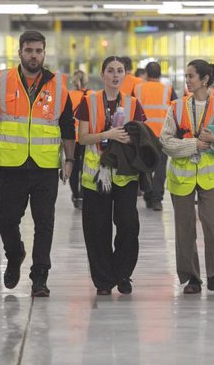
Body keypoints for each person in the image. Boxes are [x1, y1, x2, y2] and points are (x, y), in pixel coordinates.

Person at [0, 31, 75, 298]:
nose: (34, 55)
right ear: (20, 52)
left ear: (44, 53)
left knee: (44, 223)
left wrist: (70, 160)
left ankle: (40, 276)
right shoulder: (2, 82)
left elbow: (67, 128)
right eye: (29, 50)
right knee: (6, 219)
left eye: (39, 51)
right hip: (12, 166)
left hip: (45, 167)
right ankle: (15, 253)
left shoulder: (59, 85)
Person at [161, 59, 214, 295]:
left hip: (211, 177)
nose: (187, 80)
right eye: (186, 76)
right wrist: (193, 144)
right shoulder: (175, 107)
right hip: (182, 177)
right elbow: (166, 142)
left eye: (191, 76)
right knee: (184, 228)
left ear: (205, 80)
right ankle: (191, 278)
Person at [76, 56, 147, 295]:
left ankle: (123, 273)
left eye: (119, 71)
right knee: (97, 230)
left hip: (125, 175)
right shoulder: (89, 101)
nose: (115, 75)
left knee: (128, 226)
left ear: (125, 74)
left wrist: (129, 138)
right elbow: (83, 138)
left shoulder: (134, 104)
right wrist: (108, 134)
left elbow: (141, 136)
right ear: (102, 74)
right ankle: (103, 281)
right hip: (96, 175)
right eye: (110, 71)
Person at [134, 61, 177, 211]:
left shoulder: (138, 88)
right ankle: (157, 200)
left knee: (145, 165)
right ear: (160, 74)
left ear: (146, 74)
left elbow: (131, 108)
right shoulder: (168, 89)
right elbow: (176, 110)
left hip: (143, 133)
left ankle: (148, 194)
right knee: (160, 167)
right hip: (162, 133)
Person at [68, 70, 92, 209]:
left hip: (72, 137)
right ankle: (83, 194)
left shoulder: (68, 95)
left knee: (73, 165)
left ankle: (76, 195)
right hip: (85, 136)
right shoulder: (90, 95)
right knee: (85, 166)